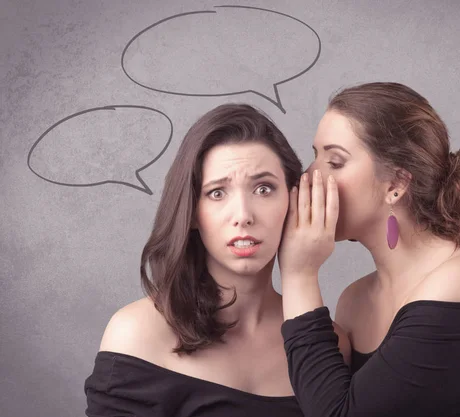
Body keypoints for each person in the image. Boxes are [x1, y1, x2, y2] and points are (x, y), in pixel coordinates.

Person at [278, 82, 460, 416]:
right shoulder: (354, 301)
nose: (310, 177)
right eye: (315, 157)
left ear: (396, 184)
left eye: (334, 162)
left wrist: (298, 274)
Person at [84, 103, 350, 417]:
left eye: (263, 189)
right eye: (217, 193)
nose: (243, 216)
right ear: (192, 212)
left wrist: (301, 273)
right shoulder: (137, 332)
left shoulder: (328, 344)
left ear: (294, 200)